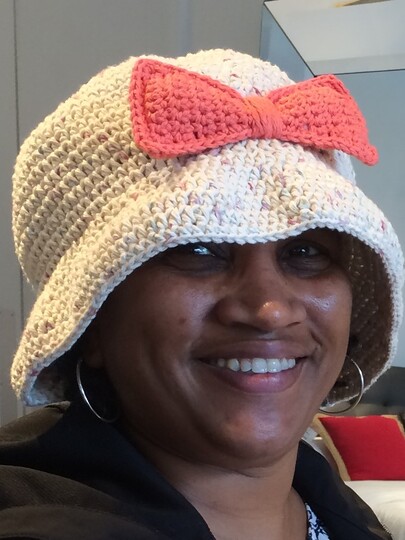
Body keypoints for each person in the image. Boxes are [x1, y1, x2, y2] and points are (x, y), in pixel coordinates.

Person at [0, 49, 402, 540]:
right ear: (91, 320)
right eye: (198, 250)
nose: (270, 311)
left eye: (304, 251)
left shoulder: (340, 509)